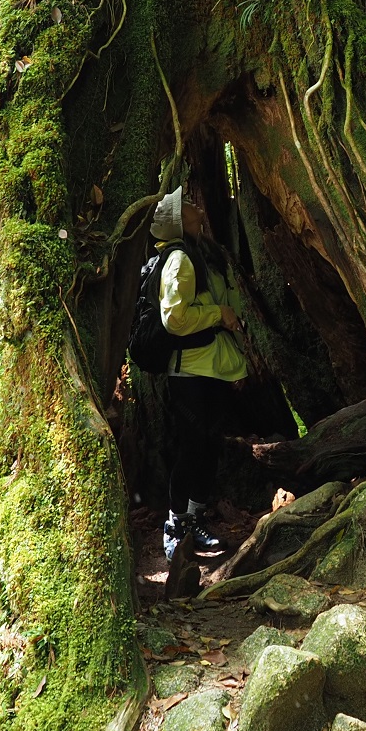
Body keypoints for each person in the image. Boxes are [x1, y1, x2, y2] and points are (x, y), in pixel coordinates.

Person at [147, 183, 249, 563]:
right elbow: (174, 319)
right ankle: (174, 528)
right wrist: (218, 315)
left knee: (208, 445)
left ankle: (194, 520)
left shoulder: (202, 252)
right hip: (189, 370)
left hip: (212, 367)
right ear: (179, 221)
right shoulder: (180, 259)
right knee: (192, 448)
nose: (193, 205)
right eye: (186, 205)